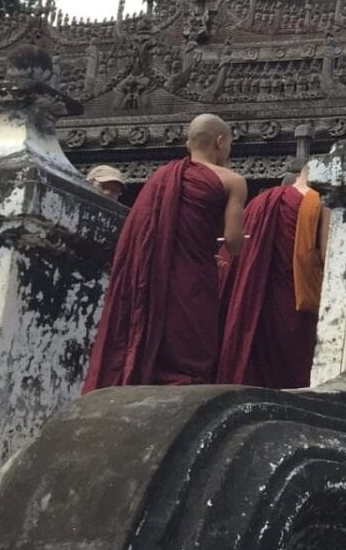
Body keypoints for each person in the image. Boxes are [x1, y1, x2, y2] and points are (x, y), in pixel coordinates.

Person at [83, 114, 247, 391]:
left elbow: (139, 236)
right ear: (220, 142)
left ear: (188, 143)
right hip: (195, 276)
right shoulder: (232, 180)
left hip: (153, 275)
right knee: (192, 347)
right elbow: (233, 242)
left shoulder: (160, 178)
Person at [216, 167, 327, 389]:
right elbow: (327, 255)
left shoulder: (260, 204)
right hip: (299, 301)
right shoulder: (318, 203)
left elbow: (234, 257)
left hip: (254, 302)